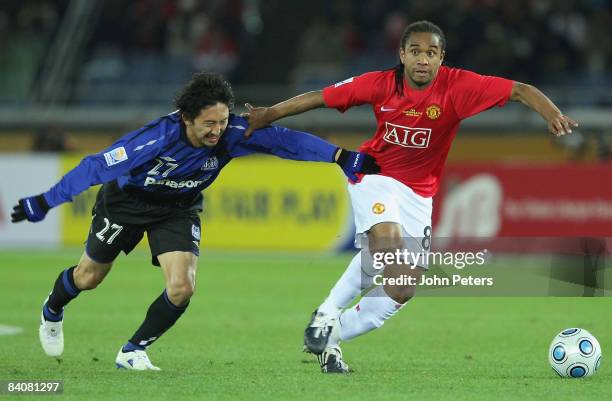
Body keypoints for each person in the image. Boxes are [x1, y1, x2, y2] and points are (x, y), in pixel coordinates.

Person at [243, 20, 578, 373]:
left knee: (402, 288)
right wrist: (270, 114)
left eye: (431, 53)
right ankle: (325, 314)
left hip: (420, 194)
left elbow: (521, 90)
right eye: (415, 51)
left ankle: (331, 336)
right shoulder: (379, 84)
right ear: (402, 54)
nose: (423, 59)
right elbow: (320, 98)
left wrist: (552, 114)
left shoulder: (459, 86)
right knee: (386, 247)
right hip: (375, 175)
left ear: (441, 58)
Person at [11, 71, 379, 371]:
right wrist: (45, 201)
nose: (217, 130)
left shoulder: (232, 134)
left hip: (178, 208)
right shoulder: (154, 139)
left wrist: (340, 156)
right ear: (186, 118)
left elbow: (285, 141)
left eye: (221, 121)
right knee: (88, 277)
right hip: (126, 204)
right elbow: (94, 167)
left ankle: (132, 351)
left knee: (182, 287)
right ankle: (53, 307)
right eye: (208, 124)